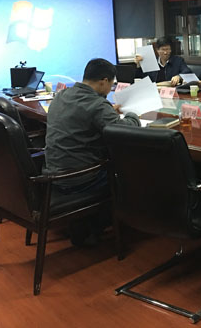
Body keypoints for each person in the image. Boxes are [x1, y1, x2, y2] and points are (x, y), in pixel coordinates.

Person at [44, 58, 141, 246]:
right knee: (133, 175)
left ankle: (86, 223)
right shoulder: (97, 105)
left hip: (52, 175)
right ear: (104, 81)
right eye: (111, 84)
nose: (110, 89)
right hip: (80, 179)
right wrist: (133, 115)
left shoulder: (62, 95)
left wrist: (107, 111)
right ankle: (98, 225)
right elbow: (124, 131)